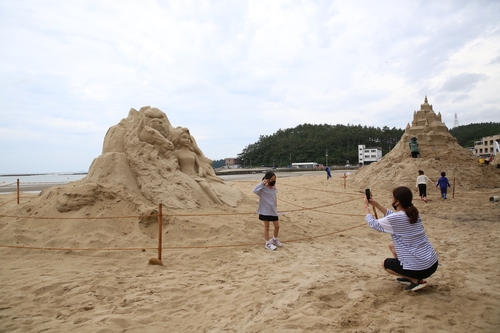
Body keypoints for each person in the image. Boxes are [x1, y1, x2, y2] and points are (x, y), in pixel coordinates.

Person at [364, 186, 438, 291]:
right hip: (431, 263)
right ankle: (408, 274)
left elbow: (373, 224)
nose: (391, 199)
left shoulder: (397, 218)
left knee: (384, 264)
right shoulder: (413, 212)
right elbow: (393, 216)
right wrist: (376, 204)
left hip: (421, 268)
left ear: (398, 202)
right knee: (392, 245)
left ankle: (415, 280)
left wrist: (366, 207)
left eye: (392, 197)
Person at [253, 171, 282, 250]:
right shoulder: (262, 188)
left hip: (273, 210)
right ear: (268, 179)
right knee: (267, 227)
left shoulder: (274, 188)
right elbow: (255, 190)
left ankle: (274, 239)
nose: (273, 181)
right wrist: (262, 183)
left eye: (274, 179)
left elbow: (274, 197)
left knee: (277, 226)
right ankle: (267, 243)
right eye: (272, 179)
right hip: (265, 210)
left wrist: (275, 205)